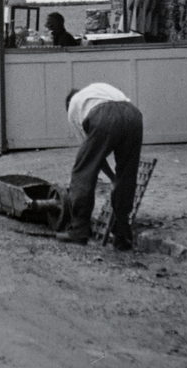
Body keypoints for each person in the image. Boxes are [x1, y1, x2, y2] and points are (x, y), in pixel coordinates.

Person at [59, 83, 143, 250]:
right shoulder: (96, 91)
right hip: (133, 115)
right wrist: (113, 177)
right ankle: (122, 235)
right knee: (127, 175)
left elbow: (93, 160)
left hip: (105, 116)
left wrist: (108, 175)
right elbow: (99, 155)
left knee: (82, 172)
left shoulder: (74, 107)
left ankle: (79, 230)